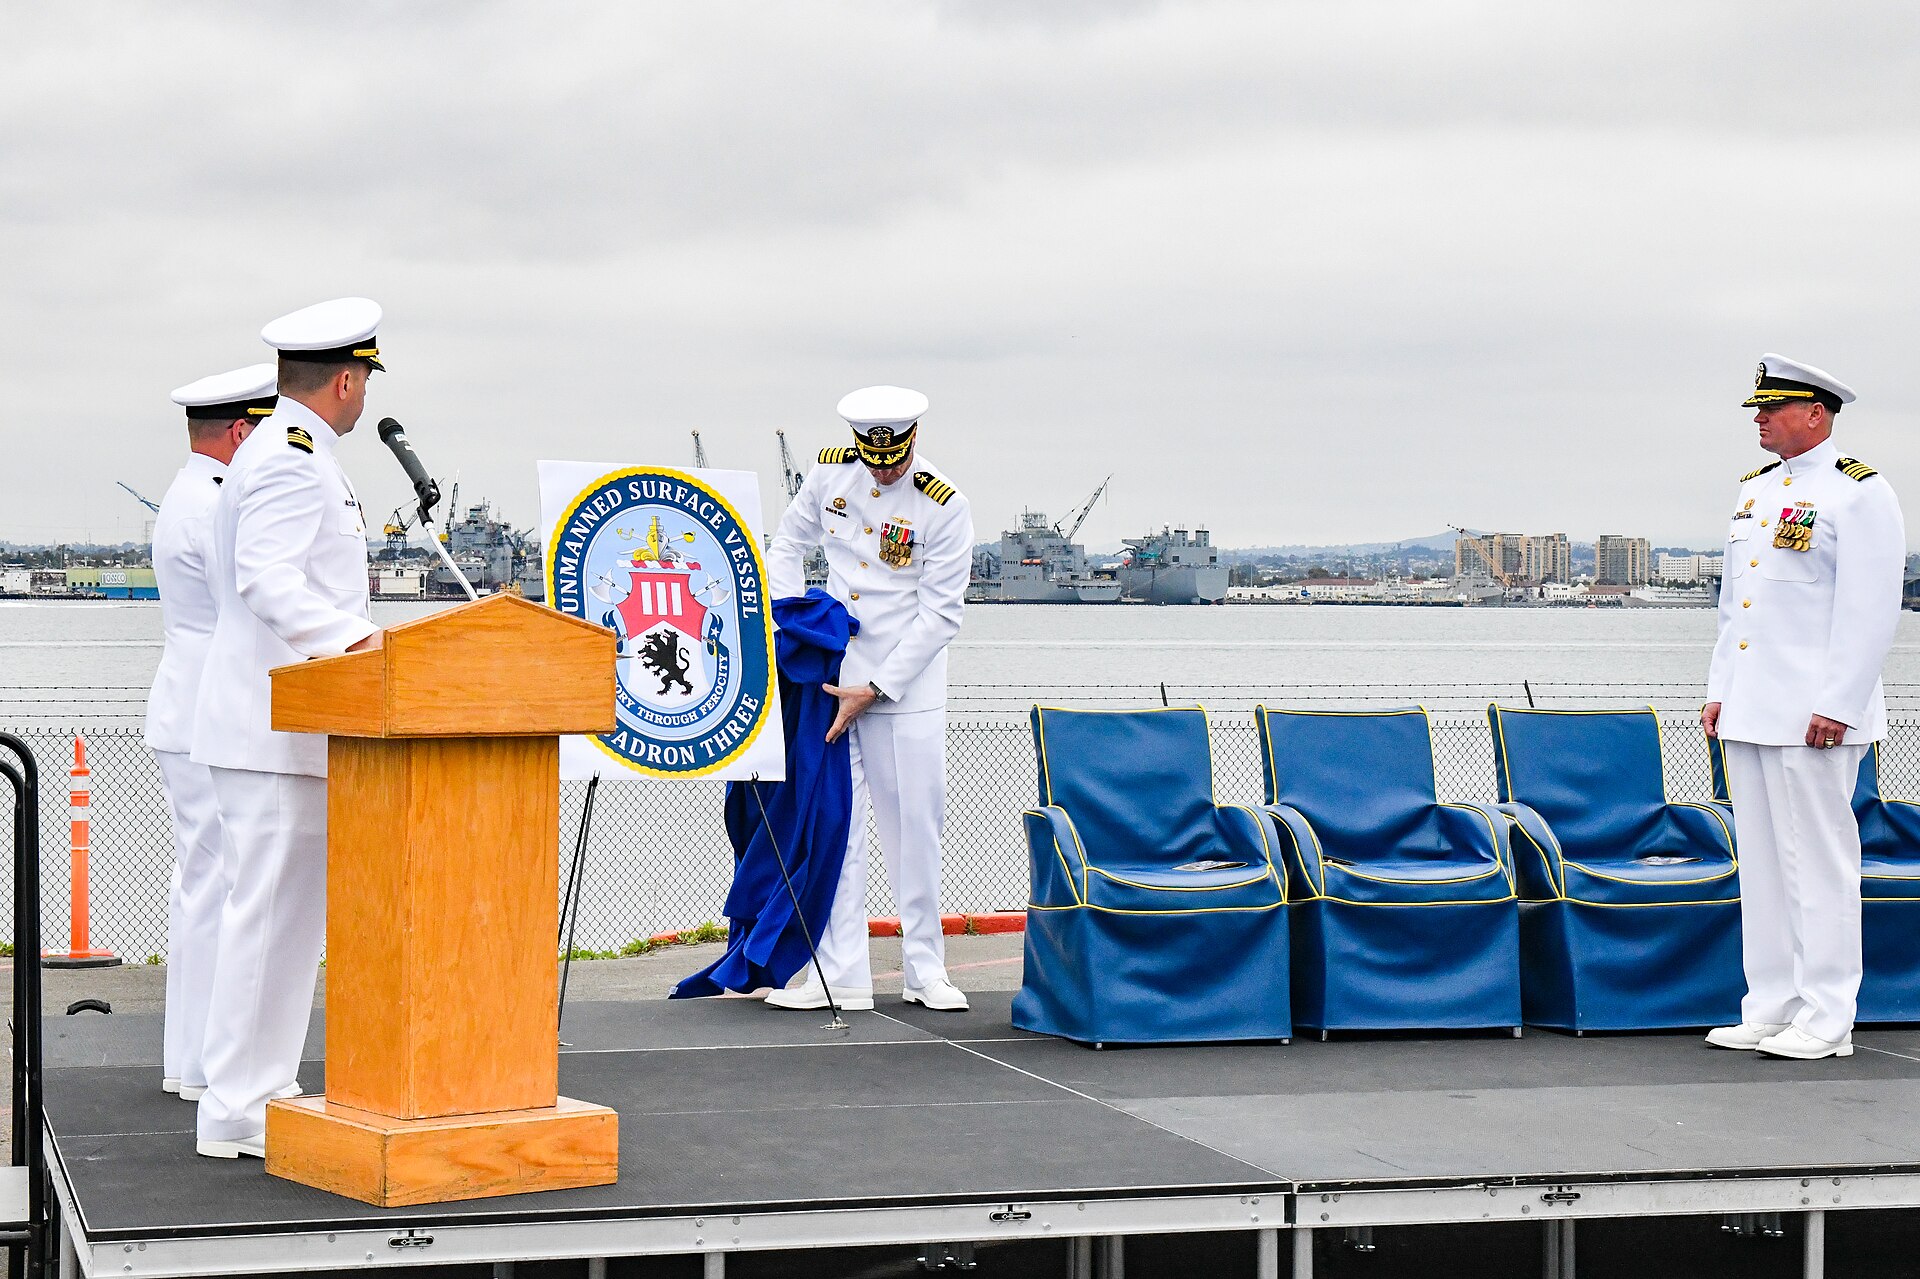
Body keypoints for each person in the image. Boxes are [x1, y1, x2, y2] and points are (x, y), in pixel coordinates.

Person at [189, 299, 384, 1156]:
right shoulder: (291, 458)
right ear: (347, 378)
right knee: (266, 919)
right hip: (273, 729)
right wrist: (358, 641)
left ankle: (261, 1086)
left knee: (282, 922)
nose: (366, 391)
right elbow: (267, 577)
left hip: (287, 728)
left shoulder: (294, 450)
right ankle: (238, 1102)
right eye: (367, 376)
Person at [1703, 354, 1905, 1061]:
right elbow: (1738, 607)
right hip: (1755, 708)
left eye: (1771, 408)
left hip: (1817, 713)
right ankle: (1772, 1003)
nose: (1759, 419)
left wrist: (1840, 701)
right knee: (1761, 861)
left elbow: (1871, 607)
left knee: (1818, 862)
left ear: (1815, 412)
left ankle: (1827, 1015)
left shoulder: (1859, 492)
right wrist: (1720, 687)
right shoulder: (1755, 493)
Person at [763, 386, 973, 1013]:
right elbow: (785, 546)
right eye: (872, 457)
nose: (883, 468)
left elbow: (940, 615)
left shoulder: (944, 505)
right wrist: (797, 618)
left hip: (901, 689)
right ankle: (841, 975)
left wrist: (877, 687)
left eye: (894, 458)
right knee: (837, 829)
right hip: (832, 678)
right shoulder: (830, 475)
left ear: (911, 443)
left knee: (913, 831)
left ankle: (924, 970)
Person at [147, 363, 276, 1101]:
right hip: (210, 713)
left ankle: (191, 1060)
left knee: (202, 884)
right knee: (220, 884)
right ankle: (206, 1065)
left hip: (187, 706)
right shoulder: (215, 503)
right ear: (239, 430)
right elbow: (251, 607)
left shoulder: (188, 492)